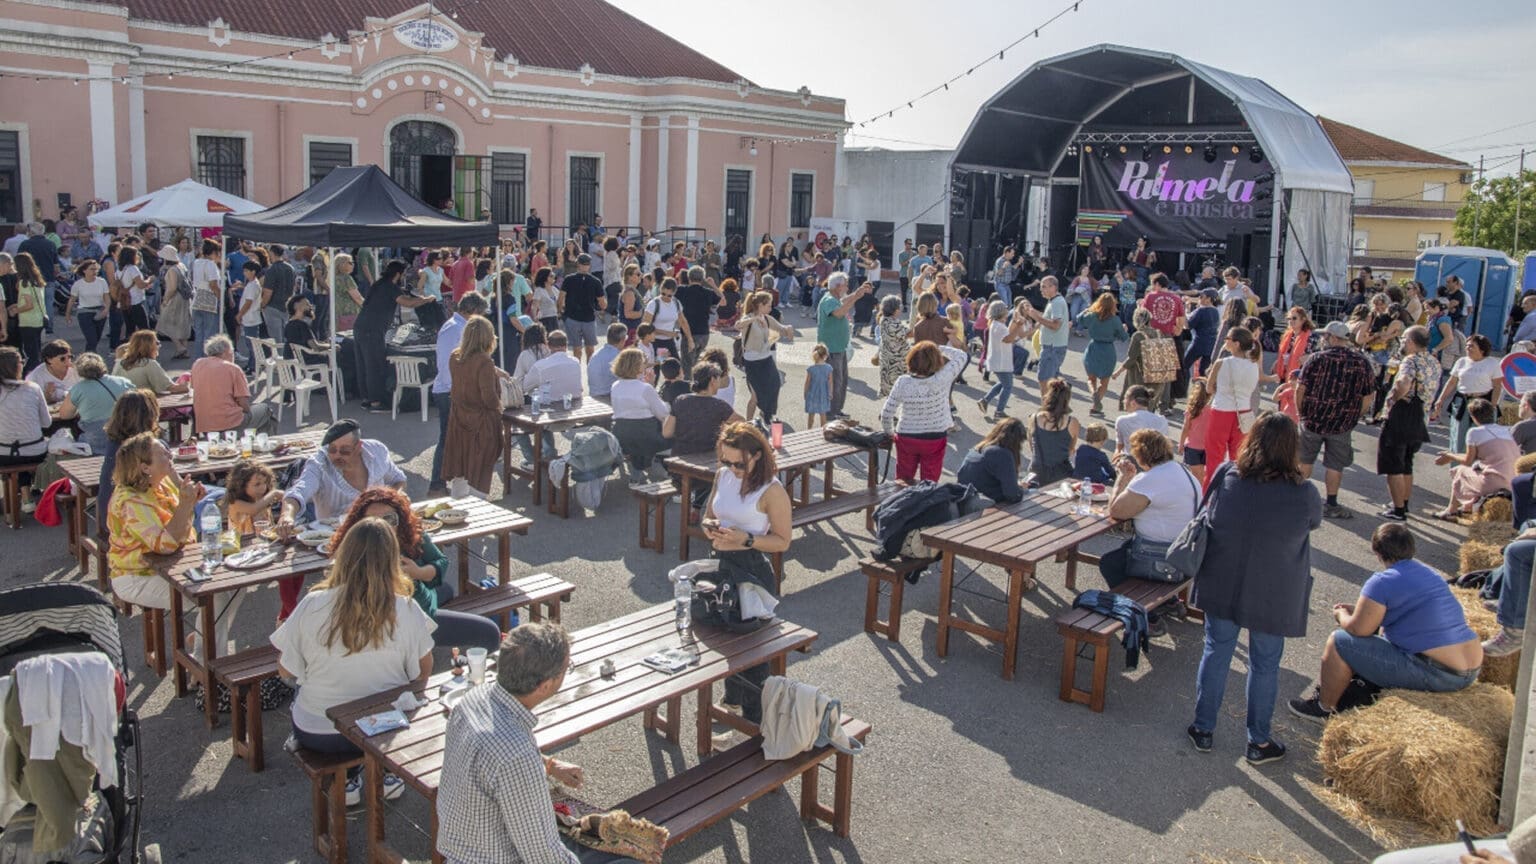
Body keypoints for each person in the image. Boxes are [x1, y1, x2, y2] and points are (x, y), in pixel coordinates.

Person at [1187, 413, 1322, 764]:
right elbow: (1313, 523)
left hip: (1222, 579)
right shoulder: (1303, 492)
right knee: (1265, 664)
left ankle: (1203, 728)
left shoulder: (1228, 474)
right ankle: (1258, 741)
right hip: (1273, 589)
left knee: (1216, 650)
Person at [271, 517, 433, 805]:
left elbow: (285, 668)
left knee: (303, 686)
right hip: (384, 727)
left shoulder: (312, 603)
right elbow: (422, 672)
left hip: (318, 731)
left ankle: (349, 780)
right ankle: (381, 773)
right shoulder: (407, 608)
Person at [437, 624, 632, 864]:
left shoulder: (474, 699)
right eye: (565, 669)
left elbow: (492, 760)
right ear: (546, 686)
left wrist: (550, 765)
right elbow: (543, 856)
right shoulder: (516, 756)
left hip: (463, 850)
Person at [1290, 524, 1481, 722]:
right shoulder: (1430, 574)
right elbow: (1404, 615)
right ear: (1411, 548)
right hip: (1470, 669)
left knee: (1339, 641)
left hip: (1439, 674)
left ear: (1377, 552)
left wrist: (1341, 615)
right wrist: (1362, 612)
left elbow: (1358, 629)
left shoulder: (1381, 581)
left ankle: (1323, 707)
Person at [330, 489, 502, 651]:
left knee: (446, 589)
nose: (382, 527)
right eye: (372, 521)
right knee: (489, 632)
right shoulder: (354, 551)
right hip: (409, 618)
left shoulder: (411, 533)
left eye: (389, 519)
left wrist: (418, 572)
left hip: (420, 601)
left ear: (401, 519)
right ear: (358, 525)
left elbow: (440, 561)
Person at [703, 423, 792, 720]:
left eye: (738, 463)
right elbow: (709, 515)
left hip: (752, 570)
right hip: (720, 565)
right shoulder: (722, 476)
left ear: (757, 456)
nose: (732, 468)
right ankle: (731, 702)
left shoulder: (772, 490)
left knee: (753, 654)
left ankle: (755, 722)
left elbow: (783, 541)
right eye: (726, 461)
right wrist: (711, 528)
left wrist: (747, 539)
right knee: (725, 640)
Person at [1101, 429, 1203, 634]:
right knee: (1122, 551)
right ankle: (1169, 601)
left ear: (1141, 456)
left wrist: (1124, 477)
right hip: (1187, 554)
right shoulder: (1182, 470)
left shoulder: (1150, 479)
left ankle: (1148, 616)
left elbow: (1116, 511)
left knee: (1110, 564)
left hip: (1161, 560)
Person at [106, 431, 203, 612]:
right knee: (208, 598)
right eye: (163, 454)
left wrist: (189, 500)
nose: (170, 454)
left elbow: (182, 528)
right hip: (137, 575)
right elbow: (165, 545)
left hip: (171, 565)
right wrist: (185, 504)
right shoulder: (130, 501)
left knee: (230, 589)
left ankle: (200, 640)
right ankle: (204, 640)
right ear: (145, 468)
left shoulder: (161, 483)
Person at [1294, 321, 1376, 520]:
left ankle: (1296, 499)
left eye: (1325, 336)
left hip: (1313, 418)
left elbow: (1301, 389)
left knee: (1304, 460)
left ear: (1331, 337)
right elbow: (1368, 395)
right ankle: (1331, 502)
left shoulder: (1316, 359)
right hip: (1342, 422)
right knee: (1335, 465)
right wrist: (1356, 416)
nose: (1323, 339)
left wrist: (1301, 412)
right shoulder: (1361, 362)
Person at [278, 420, 407, 534]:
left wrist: (395, 497)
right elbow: (298, 492)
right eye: (332, 450)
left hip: (381, 528)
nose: (337, 456)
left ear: (358, 447)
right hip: (336, 533)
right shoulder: (319, 463)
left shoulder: (377, 450)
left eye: (345, 451)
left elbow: (398, 479)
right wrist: (287, 515)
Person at [880, 340, 970, 483]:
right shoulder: (943, 378)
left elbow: (886, 413)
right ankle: (927, 502)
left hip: (907, 434)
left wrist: (889, 432)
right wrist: (937, 347)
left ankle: (902, 502)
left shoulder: (903, 382)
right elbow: (962, 356)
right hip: (935, 435)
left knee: (903, 478)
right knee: (930, 479)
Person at [428, 293, 489, 495]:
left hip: (452, 390)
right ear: (473, 311)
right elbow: (447, 365)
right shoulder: (454, 329)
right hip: (449, 391)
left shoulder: (458, 326)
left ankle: (454, 480)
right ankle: (437, 483)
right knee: (447, 438)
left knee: (455, 438)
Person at [355, 261, 433, 413]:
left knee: (363, 364)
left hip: (361, 326)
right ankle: (376, 402)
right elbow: (407, 303)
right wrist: (426, 300)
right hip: (372, 329)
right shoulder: (390, 287)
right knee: (374, 365)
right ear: (398, 274)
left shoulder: (378, 284)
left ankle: (366, 399)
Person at [443, 317, 509, 496]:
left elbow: (465, 377)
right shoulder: (485, 361)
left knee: (461, 468)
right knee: (480, 469)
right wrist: (501, 407)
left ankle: (457, 507)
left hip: (458, 418)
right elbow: (488, 397)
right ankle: (478, 510)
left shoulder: (454, 357)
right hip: (481, 421)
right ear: (488, 337)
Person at [1378, 327, 1437, 522]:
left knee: (1394, 464)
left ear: (1411, 341)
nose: (1401, 342)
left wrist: (1394, 397)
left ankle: (1398, 509)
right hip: (1420, 418)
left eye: (1403, 339)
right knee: (1407, 464)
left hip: (1402, 416)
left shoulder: (1410, 361)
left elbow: (1403, 383)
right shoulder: (1433, 362)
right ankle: (1403, 502)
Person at [1433, 398, 1521, 519]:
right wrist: (1451, 455)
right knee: (1476, 470)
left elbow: (1468, 461)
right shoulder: (1507, 430)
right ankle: (1467, 507)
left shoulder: (1474, 432)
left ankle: (1451, 510)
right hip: (1513, 482)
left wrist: (1449, 456)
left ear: (1473, 417)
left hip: (1495, 482)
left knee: (1459, 470)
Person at [1201, 329, 1259, 486]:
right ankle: (1236, 488)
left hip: (1221, 410)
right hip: (1244, 412)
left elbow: (1208, 388)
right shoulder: (1254, 365)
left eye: (1228, 338)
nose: (1225, 341)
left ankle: (1210, 492)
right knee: (1238, 457)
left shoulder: (1221, 363)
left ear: (1236, 343)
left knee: (1214, 457)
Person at [190, 334, 276, 435]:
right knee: (266, 410)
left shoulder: (197, 364)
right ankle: (264, 445)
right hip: (228, 423)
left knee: (257, 416)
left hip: (205, 425)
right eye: (232, 352)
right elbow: (243, 403)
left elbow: (194, 388)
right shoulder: (232, 368)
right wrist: (248, 412)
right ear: (226, 352)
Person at [0, 347, 50, 512]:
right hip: (34, 451)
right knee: (25, 446)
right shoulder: (33, 388)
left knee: (13, 449)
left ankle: (12, 503)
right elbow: (46, 423)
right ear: (17, 366)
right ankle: (26, 496)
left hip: (4, 453)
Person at [1431, 334, 1500, 453]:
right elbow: (1451, 382)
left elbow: (1497, 386)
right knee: (1458, 435)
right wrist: (1440, 399)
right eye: (1467, 346)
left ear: (1482, 349)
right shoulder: (1461, 362)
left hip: (1483, 401)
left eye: (1471, 346)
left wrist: (1493, 405)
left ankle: (1475, 467)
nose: (1467, 348)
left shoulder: (1492, 363)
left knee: (1480, 437)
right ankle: (1456, 465)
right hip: (1461, 401)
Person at [818, 273, 872, 419]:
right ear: (837, 286)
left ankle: (837, 411)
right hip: (832, 349)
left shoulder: (835, 298)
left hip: (839, 348)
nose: (847, 287)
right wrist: (856, 297)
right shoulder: (829, 299)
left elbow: (842, 301)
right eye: (846, 284)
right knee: (835, 383)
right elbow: (839, 313)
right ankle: (831, 414)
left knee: (841, 382)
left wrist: (856, 294)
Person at [737, 290, 795, 424]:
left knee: (775, 385)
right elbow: (738, 325)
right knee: (755, 396)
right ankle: (748, 423)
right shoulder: (749, 318)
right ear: (760, 306)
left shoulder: (768, 319)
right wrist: (754, 318)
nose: (770, 308)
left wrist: (789, 329)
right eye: (768, 305)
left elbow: (782, 329)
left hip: (766, 358)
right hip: (752, 362)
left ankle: (767, 415)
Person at [64, 351, 133, 454]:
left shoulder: (78, 389)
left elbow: (65, 415)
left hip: (94, 444)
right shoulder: (124, 382)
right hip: (127, 441)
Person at [1077, 293, 1128, 416]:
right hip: (1108, 351)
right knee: (1104, 382)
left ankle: (1093, 394)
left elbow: (1079, 318)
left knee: (1091, 379)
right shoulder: (1115, 320)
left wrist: (1087, 309)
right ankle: (1096, 405)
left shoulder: (1092, 316)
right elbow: (1124, 337)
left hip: (1093, 348)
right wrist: (1123, 329)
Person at [977, 300, 1028, 422]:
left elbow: (1008, 335)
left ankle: (985, 400)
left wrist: (1015, 324)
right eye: (1005, 310)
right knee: (1008, 386)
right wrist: (1019, 326)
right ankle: (999, 411)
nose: (1007, 312)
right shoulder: (999, 326)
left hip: (998, 360)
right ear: (1000, 312)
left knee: (1002, 383)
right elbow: (1009, 339)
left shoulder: (995, 324)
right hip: (1001, 362)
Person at [957, 417, 1026, 504]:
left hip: (965, 497)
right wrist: (1020, 488)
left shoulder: (980, 447)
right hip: (984, 502)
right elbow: (1013, 495)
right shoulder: (1002, 454)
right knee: (1032, 491)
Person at [1027, 378, 1080, 488]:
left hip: (1037, 472)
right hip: (1061, 474)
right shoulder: (1072, 422)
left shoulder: (1034, 418)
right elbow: (1071, 449)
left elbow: (1032, 445)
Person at [1023, 276, 1070, 396]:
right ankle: (1055, 408)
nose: (1041, 290)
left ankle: (1047, 408)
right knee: (1052, 381)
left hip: (1052, 348)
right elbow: (1048, 318)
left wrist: (1036, 317)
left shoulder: (1057, 302)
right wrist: (1033, 313)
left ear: (1053, 287)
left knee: (1044, 379)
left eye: (1044, 287)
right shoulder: (1054, 301)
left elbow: (1055, 325)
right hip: (1053, 347)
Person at [558, 254, 606, 362]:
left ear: (577, 264)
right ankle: (589, 372)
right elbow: (603, 304)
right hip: (588, 318)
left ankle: (576, 373)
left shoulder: (568, 279)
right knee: (590, 349)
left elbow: (560, 299)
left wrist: (561, 313)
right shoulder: (595, 281)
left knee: (576, 349)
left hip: (572, 317)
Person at [111, 330, 184, 396]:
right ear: (150, 346)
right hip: (142, 404)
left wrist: (136, 343)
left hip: (120, 404)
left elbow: (119, 349)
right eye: (157, 343)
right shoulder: (149, 364)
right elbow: (171, 388)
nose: (159, 346)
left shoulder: (120, 362)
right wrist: (187, 384)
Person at [8, 252, 47, 373]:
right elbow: (35, 302)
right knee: (37, 350)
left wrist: (15, 311)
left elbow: (28, 305)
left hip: (28, 321)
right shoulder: (37, 281)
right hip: (40, 319)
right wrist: (17, 304)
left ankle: (31, 374)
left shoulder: (24, 283)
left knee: (30, 353)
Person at [638, 276, 691, 364]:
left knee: (676, 367)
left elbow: (683, 322)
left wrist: (690, 339)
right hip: (654, 342)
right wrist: (667, 333)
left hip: (669, 342)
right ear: (660, 290)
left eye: (669, 295)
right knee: (655, 369)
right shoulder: (653, 304)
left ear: (674, 293)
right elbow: (645, 328)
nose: (665, 297)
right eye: (663, 294)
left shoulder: (676, 303)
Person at [66, 258, 112, 355]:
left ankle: (89, 355)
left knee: (97, 338)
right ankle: (90, 357)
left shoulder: (102, 282)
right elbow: (72, 300)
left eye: (96, 269)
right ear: (84, 270)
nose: (94, 271)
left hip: (100, 312)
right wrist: (68, 314)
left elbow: (107, 297)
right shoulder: (78, 284)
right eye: (91, 269)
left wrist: (107, 309)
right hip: (84, 312)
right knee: (92, 339)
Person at [676, 265, 719, 363]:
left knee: (687, 364)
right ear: (702, 278)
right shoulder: (709, 292)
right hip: (704, 333)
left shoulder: (681, 290)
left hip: (688, 334)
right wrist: (714, 285)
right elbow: (723, 301)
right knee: (696, 363)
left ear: (689, 277)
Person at [1114, 386, 1169, 452]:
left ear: (1133, 403)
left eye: (1125, 398)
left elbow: (1119, 448)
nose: (1123, 401)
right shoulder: (1162, 420)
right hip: (1156, 460)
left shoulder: (1122, 420)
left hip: (1131, 459)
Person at [1182, 289, 1221, 380]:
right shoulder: (1216, 311)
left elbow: (1187, 326)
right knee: (1203, 371)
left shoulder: (1201, 311)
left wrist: (1183, 312)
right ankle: (1203, 390)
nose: (1199, 299)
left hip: (1198, 343)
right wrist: (1187, 311)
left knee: (1184, 366)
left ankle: (1183, 387)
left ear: (1208, 299)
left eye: (1201, 297)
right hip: (1211, 344)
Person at [25, 339, 78, 405]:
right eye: (62, 359)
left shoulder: (77, 371)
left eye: (70, 357)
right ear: (49, 360)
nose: (68, 361)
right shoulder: (35, 377)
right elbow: (30, 404)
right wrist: (46, 397)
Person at [1273, 307, 1315, 386]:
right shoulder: (1287, 335)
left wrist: (1309, 357)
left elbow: (1320, 354)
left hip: (1301, 377)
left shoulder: (1311, 336)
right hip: (1284, 374)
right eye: (1289, 318)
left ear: (1303, 320)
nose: (1291, 321)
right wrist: (1277, 362)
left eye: (1294, 318)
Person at [587, 322, 627, 399]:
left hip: (593, 395)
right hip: (608, 396)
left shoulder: (597, 353)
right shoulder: (618, 356)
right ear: (622, 340)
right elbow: (628, 380)